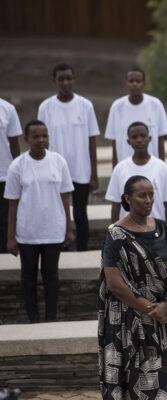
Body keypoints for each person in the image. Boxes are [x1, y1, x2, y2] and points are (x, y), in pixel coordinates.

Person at [98, 175, 167, 399]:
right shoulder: (116, 234)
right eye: (141, 195)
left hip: (163, 321)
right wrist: (150, 309)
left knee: (166, 380)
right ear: (128, 199)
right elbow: (115, 284)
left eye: (151, 195)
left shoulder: (163, 228)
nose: (148, 200)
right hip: (129, 322)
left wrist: (166, 305)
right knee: (136, 382)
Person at [4, 120, 74, 322]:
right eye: (35, 136)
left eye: (44, 135)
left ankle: (50, 318)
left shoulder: (58, 161)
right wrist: (10, 237)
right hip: (28, 232)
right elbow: (12, 204)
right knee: (28, 278)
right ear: (26, 139)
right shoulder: (17, 166)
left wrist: (68, 229)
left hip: (53, 229)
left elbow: (65, 197)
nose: (40, 140)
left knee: (51, 277)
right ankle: (33, 319)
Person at [37, 63, 100, 251]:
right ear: (54, 81)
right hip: (55, 172)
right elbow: (42, 141)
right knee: (57, 213)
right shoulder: (46, 107)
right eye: (61, 79)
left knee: (80, 212)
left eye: (68, 78)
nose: (65, 82)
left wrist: (94, 174)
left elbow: (92, 141)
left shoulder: (85, 105)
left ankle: (82, 249)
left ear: (74, 79)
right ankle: (60, 249)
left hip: (81, 170)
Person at [105, 122, 167, 228]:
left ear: (149, 138)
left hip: (156, 231)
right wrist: (115, 232)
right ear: (128, 141)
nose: (139, 140)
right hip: (128, 232)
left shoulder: (162, 167)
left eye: (143, 136)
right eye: (134, 137)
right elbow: (116, 204)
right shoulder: (120, 169)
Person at [105, 67, 167, 166]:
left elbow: (161, 140)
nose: (134, 84)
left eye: (138, 81)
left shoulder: (156, 105)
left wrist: (162, 166)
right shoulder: (117, 107)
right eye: (131, 81)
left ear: (144, 83)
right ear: (126, 83)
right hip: (126, 166)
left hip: (152, 166)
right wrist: (115, 169)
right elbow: (114, 143)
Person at [0, 97, 21, 253]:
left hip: (4, 175)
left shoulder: (7, 109)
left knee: (4, 218)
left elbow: (14, 143)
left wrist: (18, 173)